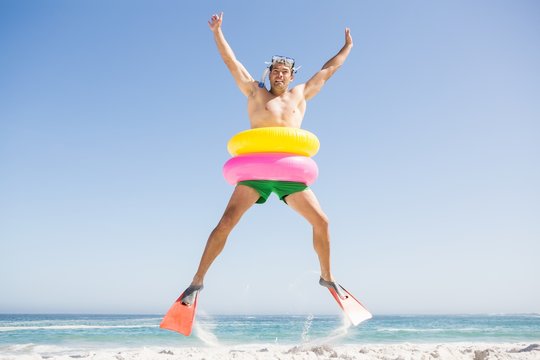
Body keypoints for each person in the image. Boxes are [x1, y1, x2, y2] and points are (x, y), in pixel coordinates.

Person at [180, 12, 354, 305]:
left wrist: (347, 47)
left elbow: (329, 70)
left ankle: (327, 276)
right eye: (275, 70)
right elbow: (231, 63)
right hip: (255, 172)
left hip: (291, 174)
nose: (279, 74)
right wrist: (217, 33)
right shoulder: (254, 92)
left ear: (292, 75)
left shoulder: (300, 95)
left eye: (284, 70)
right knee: (225, 223)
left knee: (322, 222)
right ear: (269, 73)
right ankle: (197, 281)